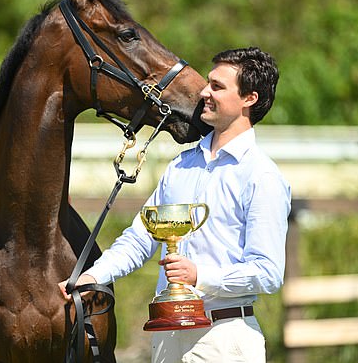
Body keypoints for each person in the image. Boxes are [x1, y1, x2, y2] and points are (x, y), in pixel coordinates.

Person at [59, 47, 291, 363]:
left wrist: (199, 275)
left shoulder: (261, 176)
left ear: (249, 98)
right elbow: (140, 238)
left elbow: (268, 272)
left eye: (217, 86)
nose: (204, 92)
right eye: (209, 83)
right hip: (166, 336)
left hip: (224, 339)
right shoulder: (181, 166)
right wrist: (92, 276)